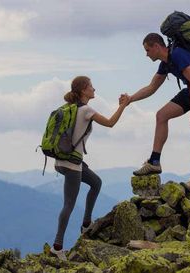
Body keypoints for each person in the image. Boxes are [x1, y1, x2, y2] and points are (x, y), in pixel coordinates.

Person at [123, 33, 190, 192]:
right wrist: (130, 99)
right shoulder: (165, 63)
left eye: (147, 50)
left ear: (156, 46)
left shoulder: (178, 55)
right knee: (161, 115)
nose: (146, 54)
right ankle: (154, 161)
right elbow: (151, 88)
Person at [52, 76, 130, 254]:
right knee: (69, 204)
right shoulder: (86, 110)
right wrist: (123, 105)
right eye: (91, 87)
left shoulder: (69, 108)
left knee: (96, 182)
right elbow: (110, 123)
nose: (94, 89)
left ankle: (86, 224)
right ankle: (57, 247)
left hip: (62, 161)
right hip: (72, 164)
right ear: (83, 90)